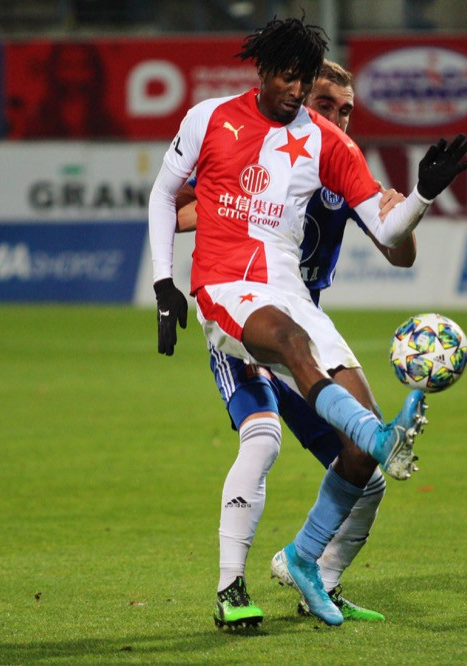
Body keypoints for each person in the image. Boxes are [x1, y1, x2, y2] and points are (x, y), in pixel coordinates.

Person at [147, 15, 467, 627]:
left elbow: (390, 234)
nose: (299, 95)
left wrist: (423, 195)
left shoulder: (328, 145)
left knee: (360, 460)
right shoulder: (210, 119)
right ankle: (230, 587)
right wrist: (165, 282)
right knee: (265, 432)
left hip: (294, 297)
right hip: (228, 289)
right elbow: (168, 197)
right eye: (295, 82)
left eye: (313, 89)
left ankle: (308, 561)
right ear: (265, 70)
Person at [175, 60, 416, 629]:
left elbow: (400, 254)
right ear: (303, 100)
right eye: (325, 105)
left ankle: (320, 582)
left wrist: (405, 214)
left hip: (303, 331)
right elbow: (181, 206)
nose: (337, 118)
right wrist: (223, 209)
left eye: (346, 111)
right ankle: (230, 589)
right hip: (248, 321)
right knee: (262, 441)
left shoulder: (340, 168)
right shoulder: (266, 152)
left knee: (366, 475)